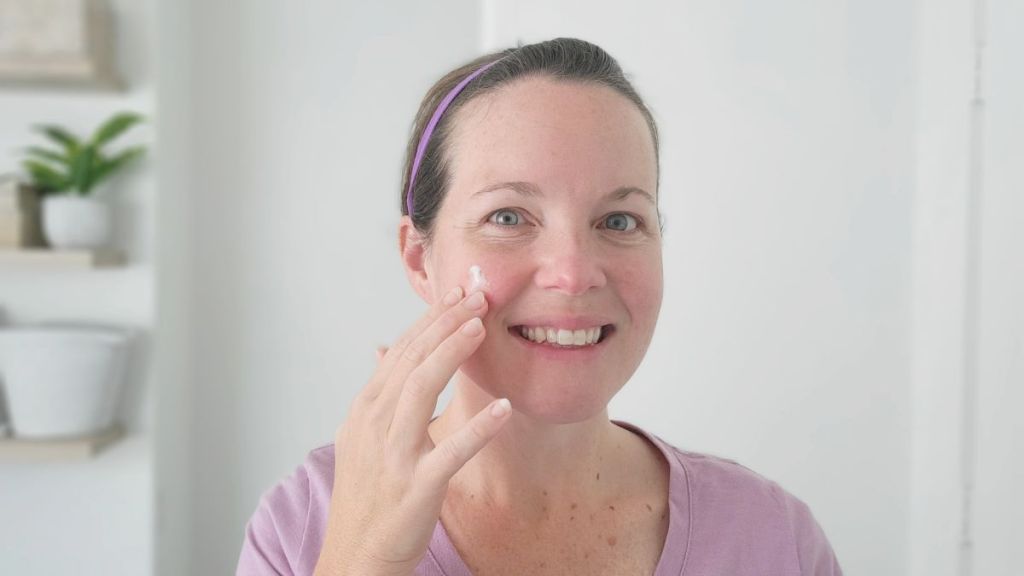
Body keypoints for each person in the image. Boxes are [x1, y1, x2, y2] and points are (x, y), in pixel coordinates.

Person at [237, 37, 844, 576]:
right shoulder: (305, 525)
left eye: (618, 219)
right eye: (508, 217)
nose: (574, 274)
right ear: (420, 258)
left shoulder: (773, 538)